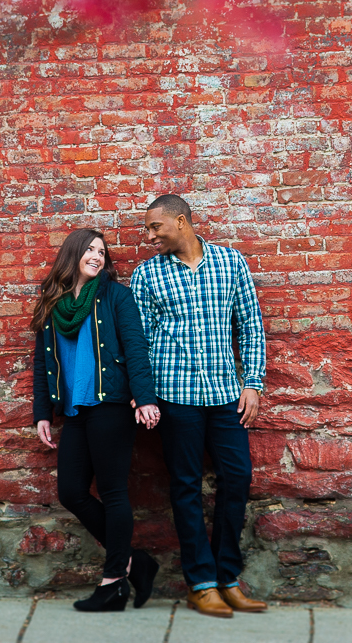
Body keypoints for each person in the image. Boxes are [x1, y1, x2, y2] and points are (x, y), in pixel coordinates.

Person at [130, 194, 268, 619]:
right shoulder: (147, 275)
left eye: (156, 227)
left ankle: (228, 577)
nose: (150, 236)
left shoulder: (231, 263)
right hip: (175, 398)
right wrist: (145, 394)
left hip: (228, 395)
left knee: (237, 479)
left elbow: (250, 325)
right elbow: (139, 341)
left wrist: (254, 384)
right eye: (148, 229)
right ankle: (202, 583)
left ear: (182, 222)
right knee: (186, 486)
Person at [31, 227, 162, 612]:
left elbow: (136, 346)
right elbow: (42, 363)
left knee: (114, 492)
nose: (96, 255)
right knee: (70, 492)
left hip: (111, 407)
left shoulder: (116, 296)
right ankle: (136, 564)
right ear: (72, 255)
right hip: (74, 412)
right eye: (89, 249)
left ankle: (113, 582)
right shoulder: (53, 302)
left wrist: (144, 397)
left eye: (101, 251)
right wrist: (42, 413)